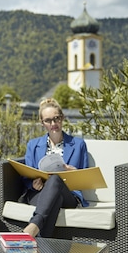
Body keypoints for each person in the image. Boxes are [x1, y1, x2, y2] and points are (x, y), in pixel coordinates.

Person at [20, 98, 89, 238]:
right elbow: (26, 175)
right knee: (54, 200)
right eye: (48, 120)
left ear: (62, 118)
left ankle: (33, 226)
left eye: (56, 118)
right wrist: (33, 184)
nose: (53, 124)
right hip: (39, 193)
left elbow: (85, 177)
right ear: (42, 123)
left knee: (55, 179)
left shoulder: (79, 144)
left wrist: (74, 172)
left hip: (69, 194)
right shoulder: (33, 145)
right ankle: (41, 241)